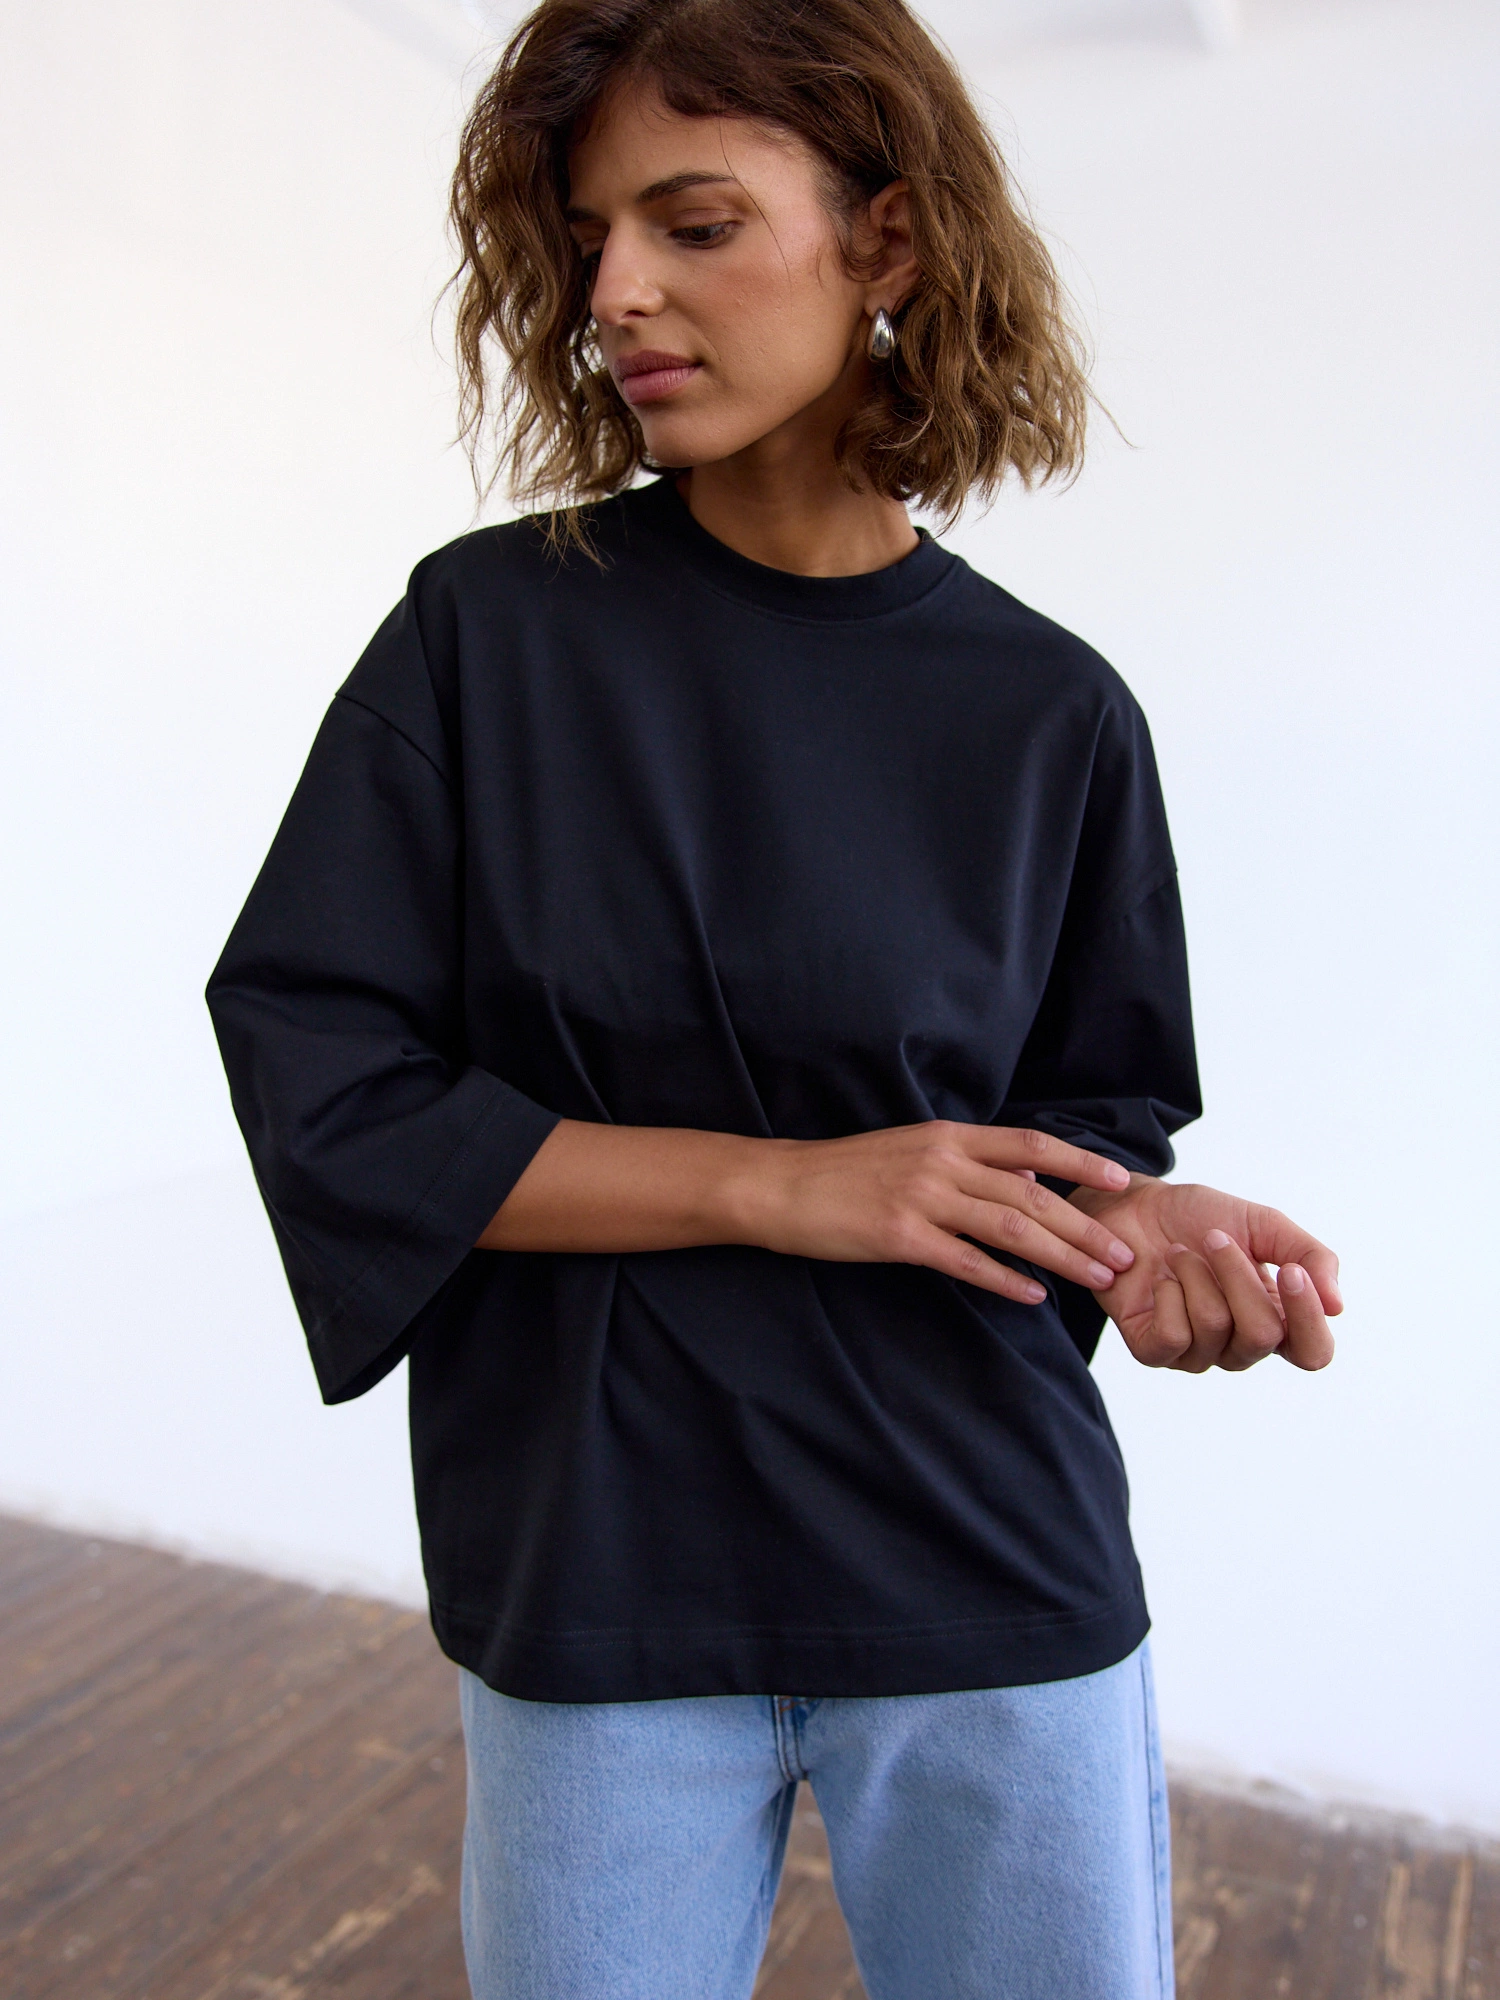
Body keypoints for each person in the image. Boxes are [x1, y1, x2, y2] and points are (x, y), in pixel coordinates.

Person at [206, 1, 1343, 1994]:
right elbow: (337, 1093)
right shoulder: (484, 642)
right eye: (591, 239)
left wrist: (1135, 1229)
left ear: (885, 241)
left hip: (982, 1564)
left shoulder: (1053, 714)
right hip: (601, 1576)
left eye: (696, 222)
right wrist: (779, 1182)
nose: (615, 294)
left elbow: (1073, 1125)